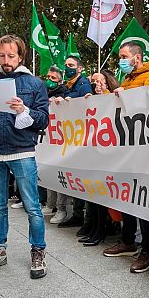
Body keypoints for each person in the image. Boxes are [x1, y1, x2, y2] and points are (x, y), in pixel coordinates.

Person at [0, 35, 50, 279]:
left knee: (32, 207)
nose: (6, 61)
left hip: (22, 150)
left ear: (20, 56)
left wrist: (24, 110)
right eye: (2, 56)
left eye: (11, 56)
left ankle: (38, 252)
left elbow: (44, 119)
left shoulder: (34, 83)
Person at [102, 41, 149, 274]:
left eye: (125, 56)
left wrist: (128, 95)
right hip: (128, 148)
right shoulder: (128, 79)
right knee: (128, 196)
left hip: (144, 150)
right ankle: (128, 241)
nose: (121, 60)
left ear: (137, 58)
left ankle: (148, 250)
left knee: (144, 200)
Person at [50, 56, 92, 228]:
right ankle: (76, 213)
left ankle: (80, 214)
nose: (67, 68)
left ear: (80, 68)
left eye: (71, 65)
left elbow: (85, 106)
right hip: (71, 136)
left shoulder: (83, 85)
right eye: (66, 65)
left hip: (80, 137)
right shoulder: (69, 85)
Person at [79, 69, 119, 245]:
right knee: (92, 195)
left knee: (101, 196)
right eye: (94, 82)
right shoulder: (92, 100)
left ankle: (100, 231)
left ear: (108, 82)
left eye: (100, 82)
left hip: (108, 155)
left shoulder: (113, 100)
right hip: (93, 154)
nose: (97, 85)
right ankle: (94, 228)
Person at [42, 66, 72, 217]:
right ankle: (50, 204)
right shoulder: (43, 92)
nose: (50, 80)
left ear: (60, 80)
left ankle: (61, 209)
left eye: (53, 78)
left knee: (60, 174)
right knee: (49, 171)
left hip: (62, 138)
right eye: (48, 77)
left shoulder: (64, 92)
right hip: (49, 138)